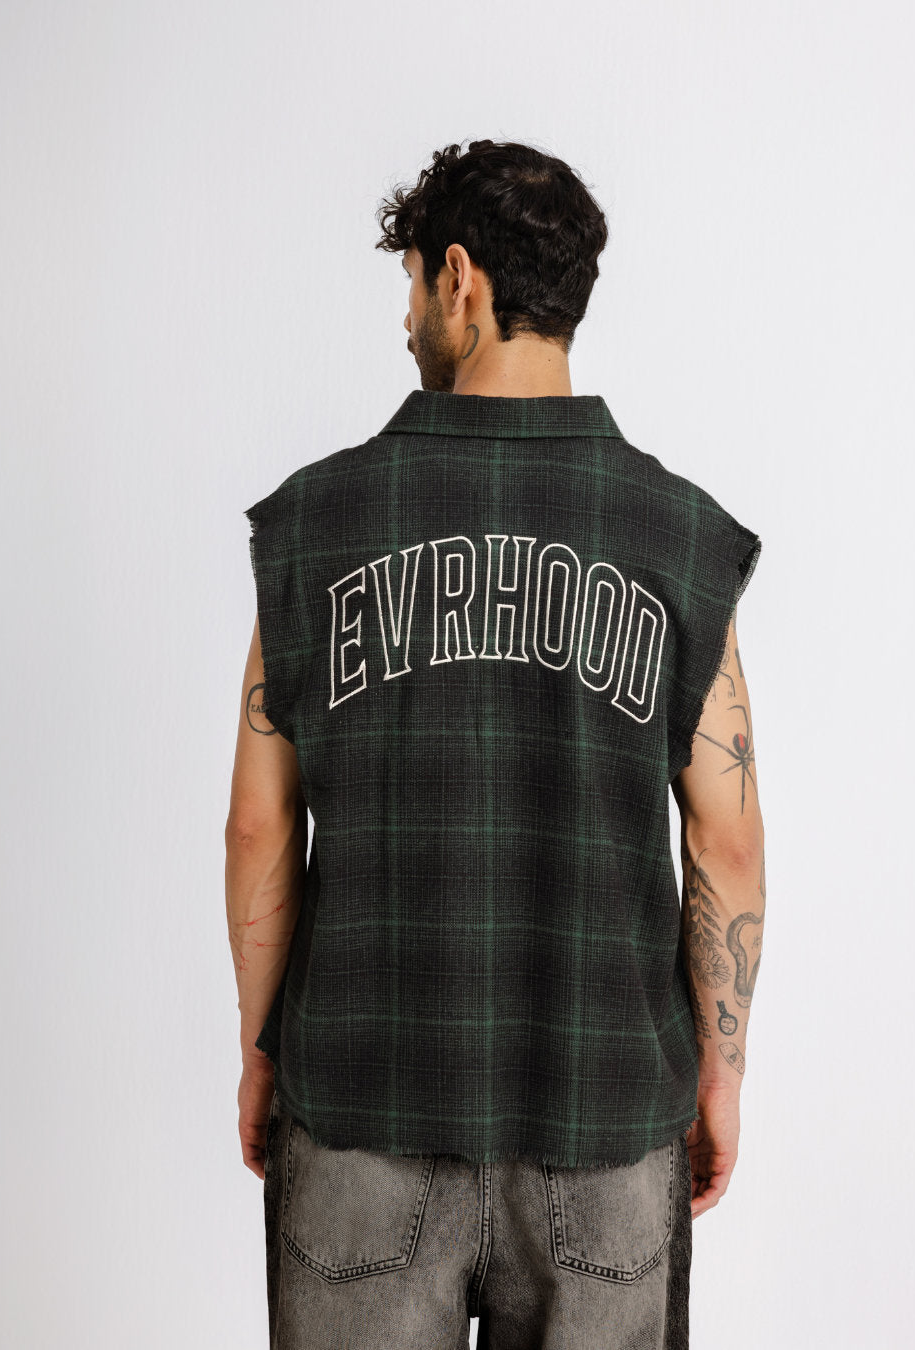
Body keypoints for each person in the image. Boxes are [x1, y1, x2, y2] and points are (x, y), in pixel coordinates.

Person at [224, 137, 766, 1349]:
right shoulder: (678, 538)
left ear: (459, 279)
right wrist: (720, 1071)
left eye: (412, 284)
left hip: (360, 1113)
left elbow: (259, 825)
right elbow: (726, 842)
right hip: (606, 1127)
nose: (407, 319)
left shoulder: (315, 526)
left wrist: (263, 1050)